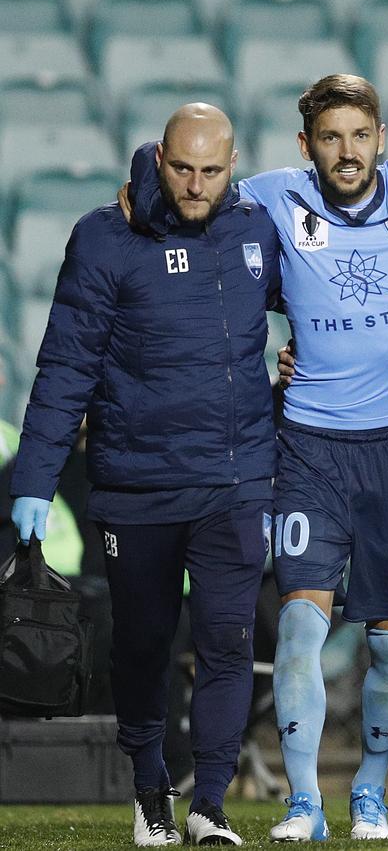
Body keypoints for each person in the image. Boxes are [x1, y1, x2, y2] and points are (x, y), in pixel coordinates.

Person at [121, 73, 388, 842]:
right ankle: (303, 802)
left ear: (381, 137)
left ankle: (368, 792)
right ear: (306, 146)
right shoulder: (270, 197)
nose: (347, 152)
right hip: (309, 450)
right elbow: (178, 178)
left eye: (361, 135)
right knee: (300, 630)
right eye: (331, 138)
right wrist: (136, 183)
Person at [10, 104, 281, 847]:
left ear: (235, 165)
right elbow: (65, 365)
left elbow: (322, 301)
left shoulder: (260, 229)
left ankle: (212, 802)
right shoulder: (104, 237)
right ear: (159, 157)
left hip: (235, 479)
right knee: (143, 644)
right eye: (183, 168)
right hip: (135, 483)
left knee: (228, 638)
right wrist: (33, 477)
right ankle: (150, 789)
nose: (196, 186)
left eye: (212, 171)